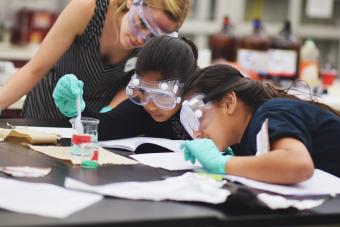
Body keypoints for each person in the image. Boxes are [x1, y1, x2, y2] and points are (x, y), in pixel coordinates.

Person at [0, 0, 191, 120]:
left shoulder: (151, 45)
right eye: (141, 23)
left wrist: (104, 120)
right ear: (133, 2)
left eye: (153, 35)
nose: (141, 38)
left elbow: (131, 87)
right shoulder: (87, 8)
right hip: (45, 113)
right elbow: (35, 68)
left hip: (93, 123)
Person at [180, 64, 340, 184]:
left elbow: (299, 165)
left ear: (229, 102)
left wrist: (222, 163)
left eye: (199, 116)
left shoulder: (271, 112)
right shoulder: (246, 139)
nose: (196, 134)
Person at [53, 35, 198, 142]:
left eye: (163, 96)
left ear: (186, 89)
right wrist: (77, 109)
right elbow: (106, 128)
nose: (151, 106)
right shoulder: (142, 108)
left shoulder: (203, 110)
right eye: (143, 91)